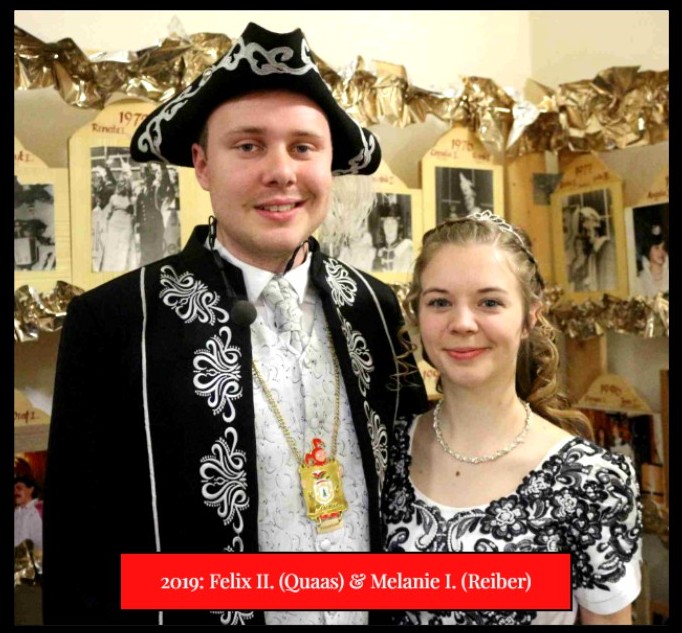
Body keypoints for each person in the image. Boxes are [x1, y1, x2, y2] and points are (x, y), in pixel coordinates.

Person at [43, 22, 429, 626]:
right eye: (249, 146)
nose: (281, 172)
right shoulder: (115, 322)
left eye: (304, 147)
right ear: (202, 164)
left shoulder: (376, 309)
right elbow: (80, 555)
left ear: (330, 162)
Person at [382, 210, 642, 625]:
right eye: (440, 302)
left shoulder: (591, 480)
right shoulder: (384, 452)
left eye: (489, 302)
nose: (462, 323)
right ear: (417, 315)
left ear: (529, 317)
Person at [568, 206, 617, 292]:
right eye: (585, 232)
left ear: (597, 231)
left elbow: (606, 281)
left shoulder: (606, 247)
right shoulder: (592, 252)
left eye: (589, 231)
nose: (587, 235)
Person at [636, 224, 668, 296]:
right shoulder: (641, 279)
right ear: (648, 251)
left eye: (663, 248)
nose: (661, 252)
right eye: (656, 248)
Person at [14, 475, 43, 552]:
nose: (15, 492)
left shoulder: (39, 509)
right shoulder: (16, 512)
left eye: (19, 488)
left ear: (31, 489)